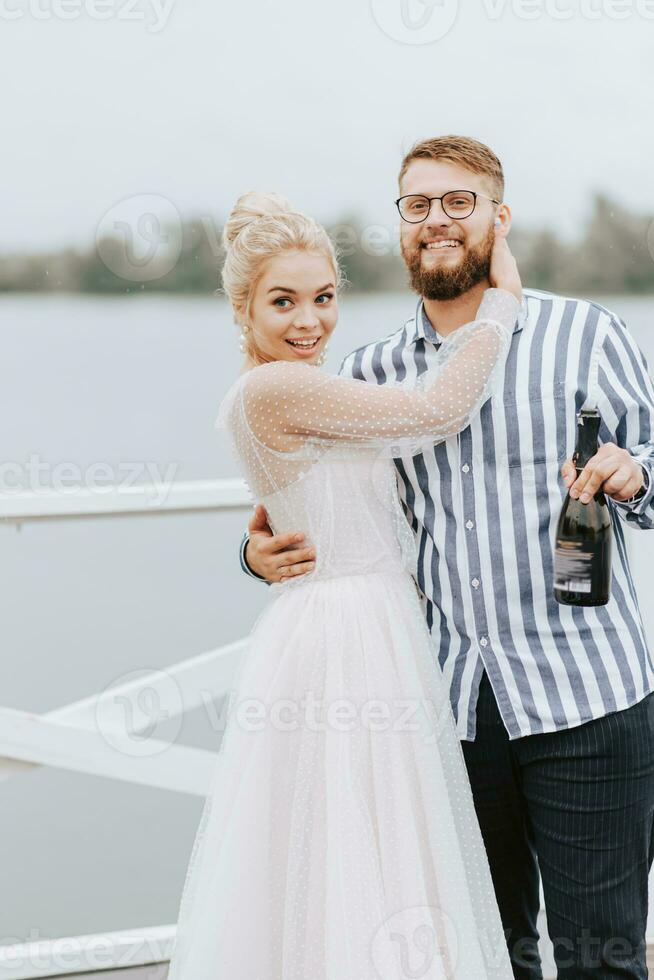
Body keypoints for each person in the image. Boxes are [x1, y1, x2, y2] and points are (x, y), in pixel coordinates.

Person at [241, 136, 654, 979]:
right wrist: (255, 552)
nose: (437, 220)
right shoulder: (366, 371)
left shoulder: (587, 334)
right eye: (417, 205)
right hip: (445, 712)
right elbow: (316, 501)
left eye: (459, 202)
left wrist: (635, 473)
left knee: (601, 962)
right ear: (401, 228)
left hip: (590, 701)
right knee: (480, 957)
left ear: (499, 219)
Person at [166, 189, 523, 979]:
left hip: (361, 619)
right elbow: (434, 408)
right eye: (283, 301)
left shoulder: (301, 388)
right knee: (361, 839)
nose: (309, 322)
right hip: (349, 634)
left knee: (363, 841)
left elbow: (314, 500)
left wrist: (251, 549)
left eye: (324, 299)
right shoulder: (273, 389)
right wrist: (498, 310)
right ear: (242, 308)